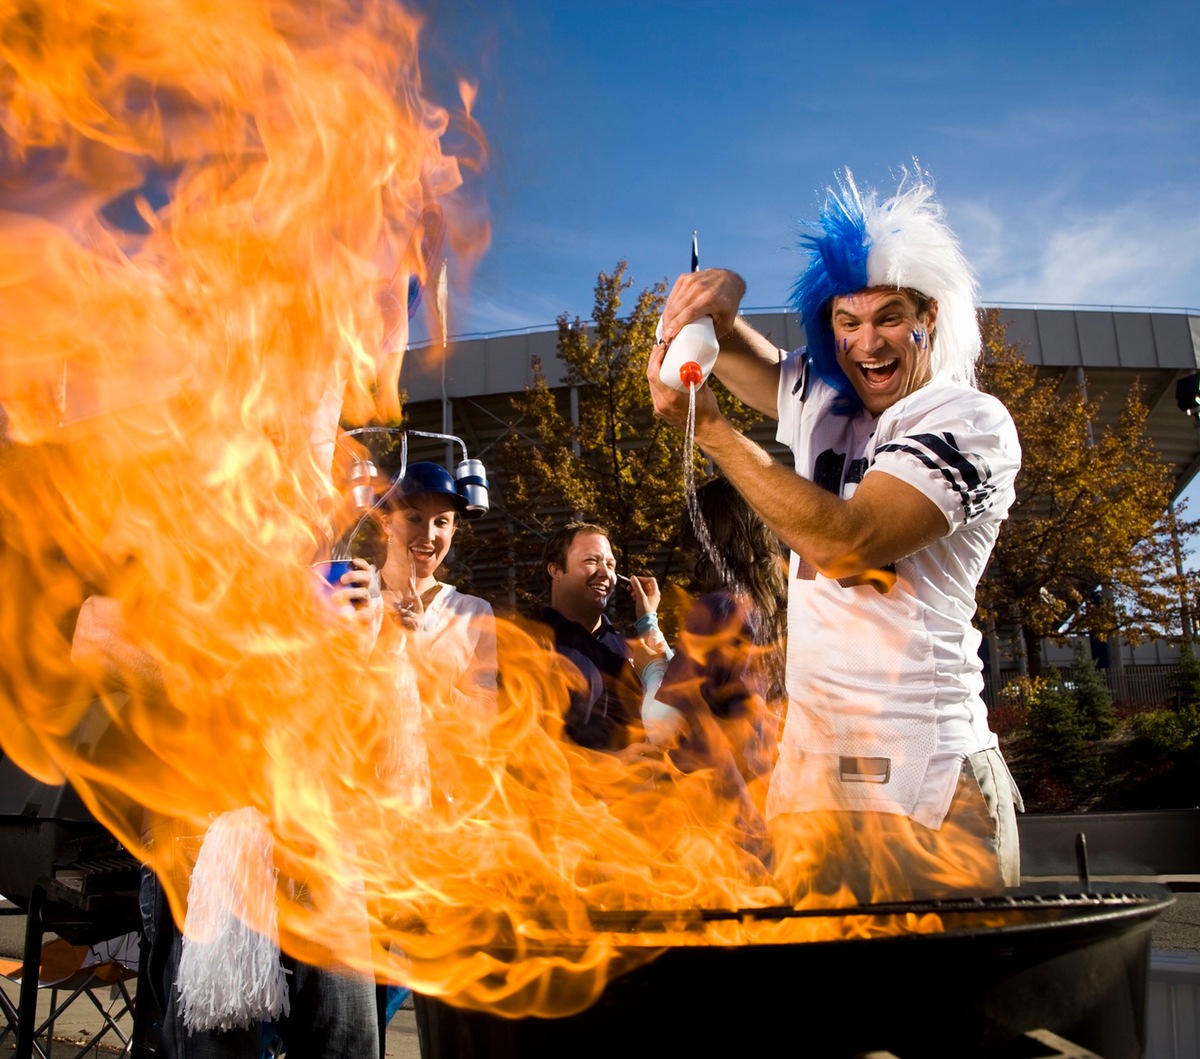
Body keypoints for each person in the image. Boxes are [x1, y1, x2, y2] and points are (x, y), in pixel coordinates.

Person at [646, 168, 1024, 900]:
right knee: (819, 1014)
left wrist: (713, 431)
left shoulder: (969, 421)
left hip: (926, 782)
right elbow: (741, 357)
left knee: (951, 1012)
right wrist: (719, 295)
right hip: (813, 780)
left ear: (929, 317)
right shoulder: (827, 402)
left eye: (888, 317)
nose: (867, 343)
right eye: (847, 323)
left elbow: (848, 543)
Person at [640, 477, 787, 859]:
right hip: (770, 811)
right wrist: (651, 625)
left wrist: (651, 665)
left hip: (719, 820)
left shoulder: (717, 608)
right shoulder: (774, 611)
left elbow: (661, 723)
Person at [379, 461, 498, 717]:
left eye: (441, 522)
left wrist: (420, 660)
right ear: (386, 523)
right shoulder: (356, 593)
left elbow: (484, 720)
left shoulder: (472, 613)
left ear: (453, 530)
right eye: (414, 518)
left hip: (439, 757)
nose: (429, 534)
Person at [539, 521, 663, 752]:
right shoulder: (530, 644)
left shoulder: (630, 649)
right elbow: (527, 743)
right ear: (555, 570)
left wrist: (649, 620)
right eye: (591, 561)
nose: (605, 573)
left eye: (610, 564)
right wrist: (613, 765)